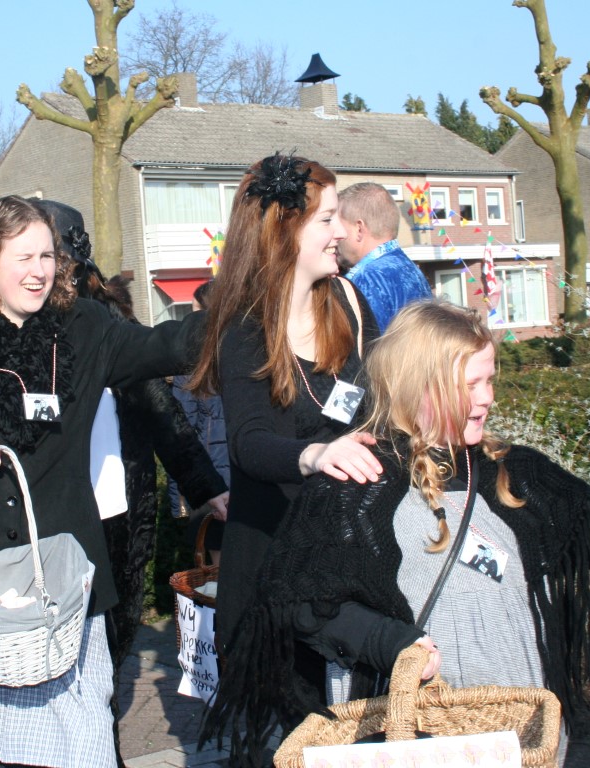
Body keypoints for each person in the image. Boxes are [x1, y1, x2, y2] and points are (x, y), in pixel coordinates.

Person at [204, 300, 590, 767]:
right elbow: (301, 600)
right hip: (417, 737)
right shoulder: (361, 483)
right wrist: (391, 644)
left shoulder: (511, 474)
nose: (488, 396)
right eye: (471, 383)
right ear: (420, 385)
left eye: (490, 379)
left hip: (521, 737)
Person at [0, 195, 206, 768]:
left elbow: (164, 346)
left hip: (60, 582)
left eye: (47, 256)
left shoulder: (84, 327)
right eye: (23, 257)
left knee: (74, 743)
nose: (39, 271)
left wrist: (250, 302)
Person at [38, 199, 228, 766]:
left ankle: (104, 748)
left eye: (53, 258)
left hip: (119, 509)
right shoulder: (8, 326)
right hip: (44, 511)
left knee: (113, 637)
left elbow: (159, 407)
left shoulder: (105, 323)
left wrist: (204, 485)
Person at [188, 153, 382, 660]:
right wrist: (316, 455)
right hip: (272, 570)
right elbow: (248, 443)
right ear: (284, 231)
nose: (342, 231)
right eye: (327, 219)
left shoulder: (347, 301)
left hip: (347, 559)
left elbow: (384, 399)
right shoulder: (244, 326)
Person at [169, 280, 230, 565]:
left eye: (195, 312)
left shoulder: (192, 364)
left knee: (218, 570)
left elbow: (179, 431)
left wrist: (178, 499)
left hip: (212, 481)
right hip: (250, 478)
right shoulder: (252, 354)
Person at [336, 182, 432, 331]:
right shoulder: (412, 270)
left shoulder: (365, 279)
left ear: (359, 229)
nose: (335, 235)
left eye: (339, 226)